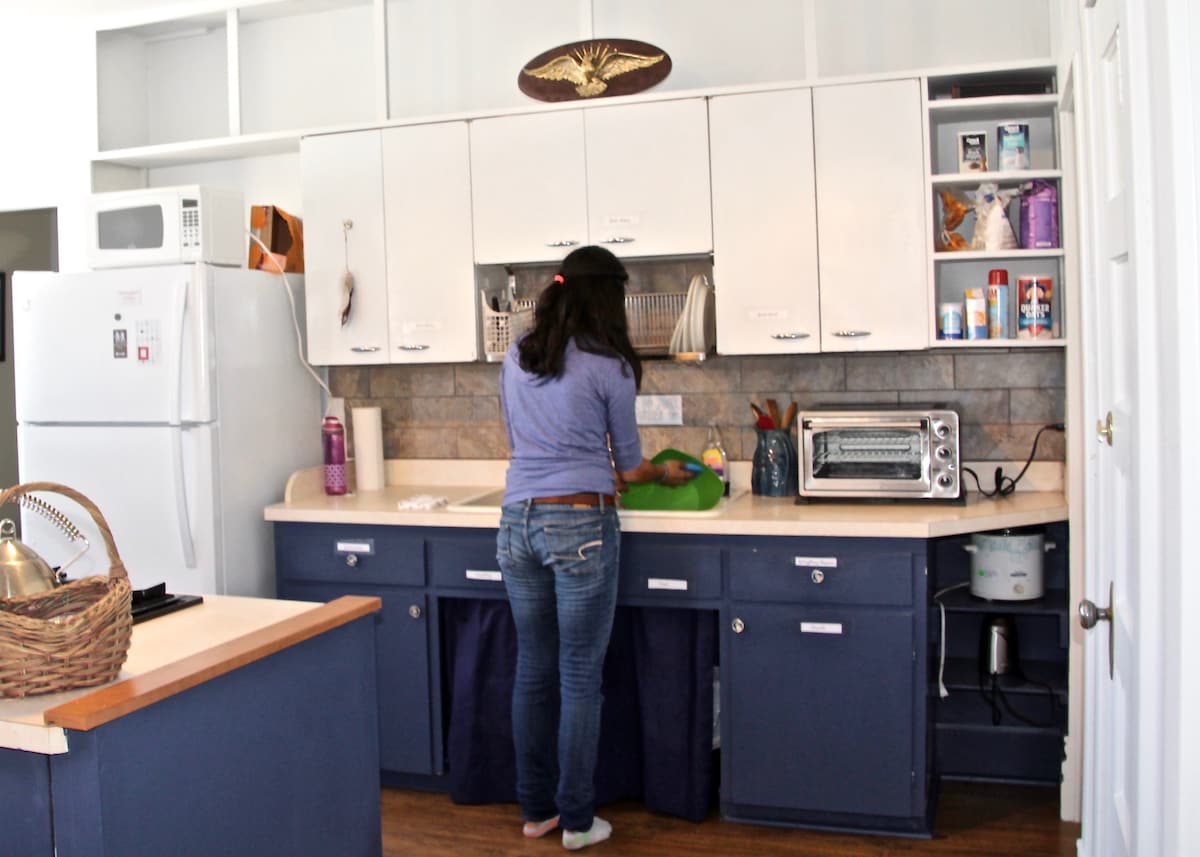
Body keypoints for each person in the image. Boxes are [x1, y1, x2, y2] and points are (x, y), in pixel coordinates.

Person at [496, 245, 694, 851]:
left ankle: (536, 812)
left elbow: (523, 441)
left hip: (516, 525)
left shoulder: (516, 356)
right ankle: (578, 821)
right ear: (610, 299)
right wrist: (667, 474)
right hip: (580, 527)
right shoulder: (611, 365)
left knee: (533, 668)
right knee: (579, 677)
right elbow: (631, 469)